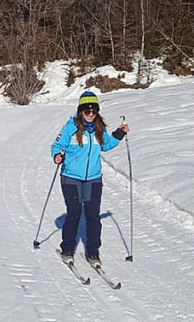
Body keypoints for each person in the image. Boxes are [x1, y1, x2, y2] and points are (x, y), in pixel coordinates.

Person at [50, 91, 129, 268]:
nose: (91, 114)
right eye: (87, 111)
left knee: (93, 216)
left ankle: (93, 252)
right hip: (71, 177)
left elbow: (106, 145)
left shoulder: (100, 128)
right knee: (74, 213)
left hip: (93, 178)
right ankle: (68, 249)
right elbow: (57, 145)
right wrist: (57, 155)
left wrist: (119, 134)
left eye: (94, 111)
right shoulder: (70, 127)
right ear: (81, 111)